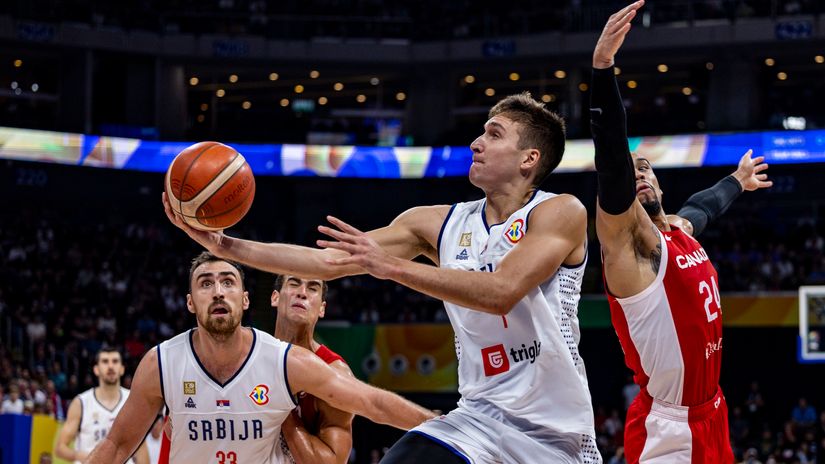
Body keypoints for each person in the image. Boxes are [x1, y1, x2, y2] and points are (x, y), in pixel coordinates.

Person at [163, 90, 601, 461]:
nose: (476, 142)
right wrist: (223, 245)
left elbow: (502, 292)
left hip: (556, 432)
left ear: (530, 158)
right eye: (481, 131)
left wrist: (390, 266)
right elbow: (326, 263)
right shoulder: (435, 222)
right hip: (480, 418)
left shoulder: (560, 212)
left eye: (494, 133)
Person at [589, 2, 772, 463]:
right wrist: (602, 70)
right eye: (630, 171)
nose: (639, 173)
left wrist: (737, 180)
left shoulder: (676, 232)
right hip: (668, 425)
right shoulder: (631, 246)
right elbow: (612, 159)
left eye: (646, 165)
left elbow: (701, 209)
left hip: (713, 411)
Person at [86, 252, 435, 463]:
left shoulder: (285, 362)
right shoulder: (160, 362)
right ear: (190, 302)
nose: (219, 290)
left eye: (228, 282)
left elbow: (372, 402)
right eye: (206, 284)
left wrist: (446, 426)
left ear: (246, 299)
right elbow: (116, 446)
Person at [272, 274, 355, 463]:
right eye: (294, 284)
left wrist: (280, 404)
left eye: (312, 288)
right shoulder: (250, 356)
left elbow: (332, 462)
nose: (302, 293)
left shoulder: (336, 372)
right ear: (275, 297)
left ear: (322, 308)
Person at [55, 348, 149, 464]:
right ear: (96, 369)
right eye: (105, 361)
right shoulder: (81, 402)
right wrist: (83, 456)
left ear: (122, 369)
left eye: (115, 361)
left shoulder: (132, 399)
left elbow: (141, 447)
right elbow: (60, 448)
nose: (110, 366)